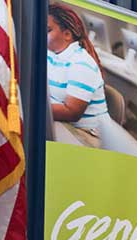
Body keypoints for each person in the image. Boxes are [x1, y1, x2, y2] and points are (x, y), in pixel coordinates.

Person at [47, 3, 110, 148]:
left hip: (88, 134)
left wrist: (33, 106)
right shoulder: (51, 54)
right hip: (65, 126)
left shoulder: (81, 63)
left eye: (48, 30)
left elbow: (72, 112)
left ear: (67, 35)